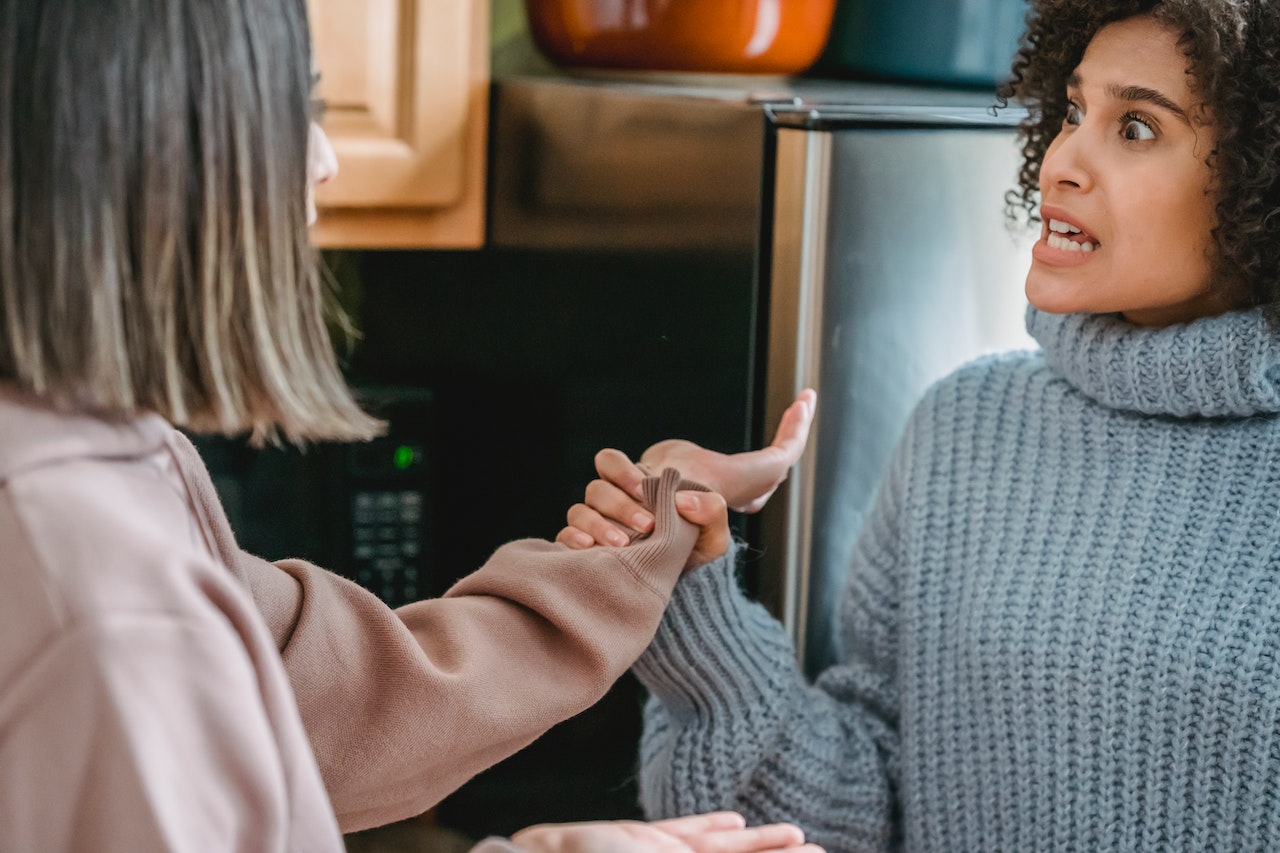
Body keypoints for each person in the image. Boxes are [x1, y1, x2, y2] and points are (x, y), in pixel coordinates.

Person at [0, 1, 826, 851]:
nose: (324, 159)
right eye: (286, 111)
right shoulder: (94, 585)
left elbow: (359, 699)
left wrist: (655, 521)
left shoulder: (95, 462)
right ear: (137, 148)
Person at [560, 0, 1280, 850]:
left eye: (1135, 128)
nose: (1062, 163)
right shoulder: (966, 426)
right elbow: (856, 806)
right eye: (1075, 111)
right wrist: (690, 584)